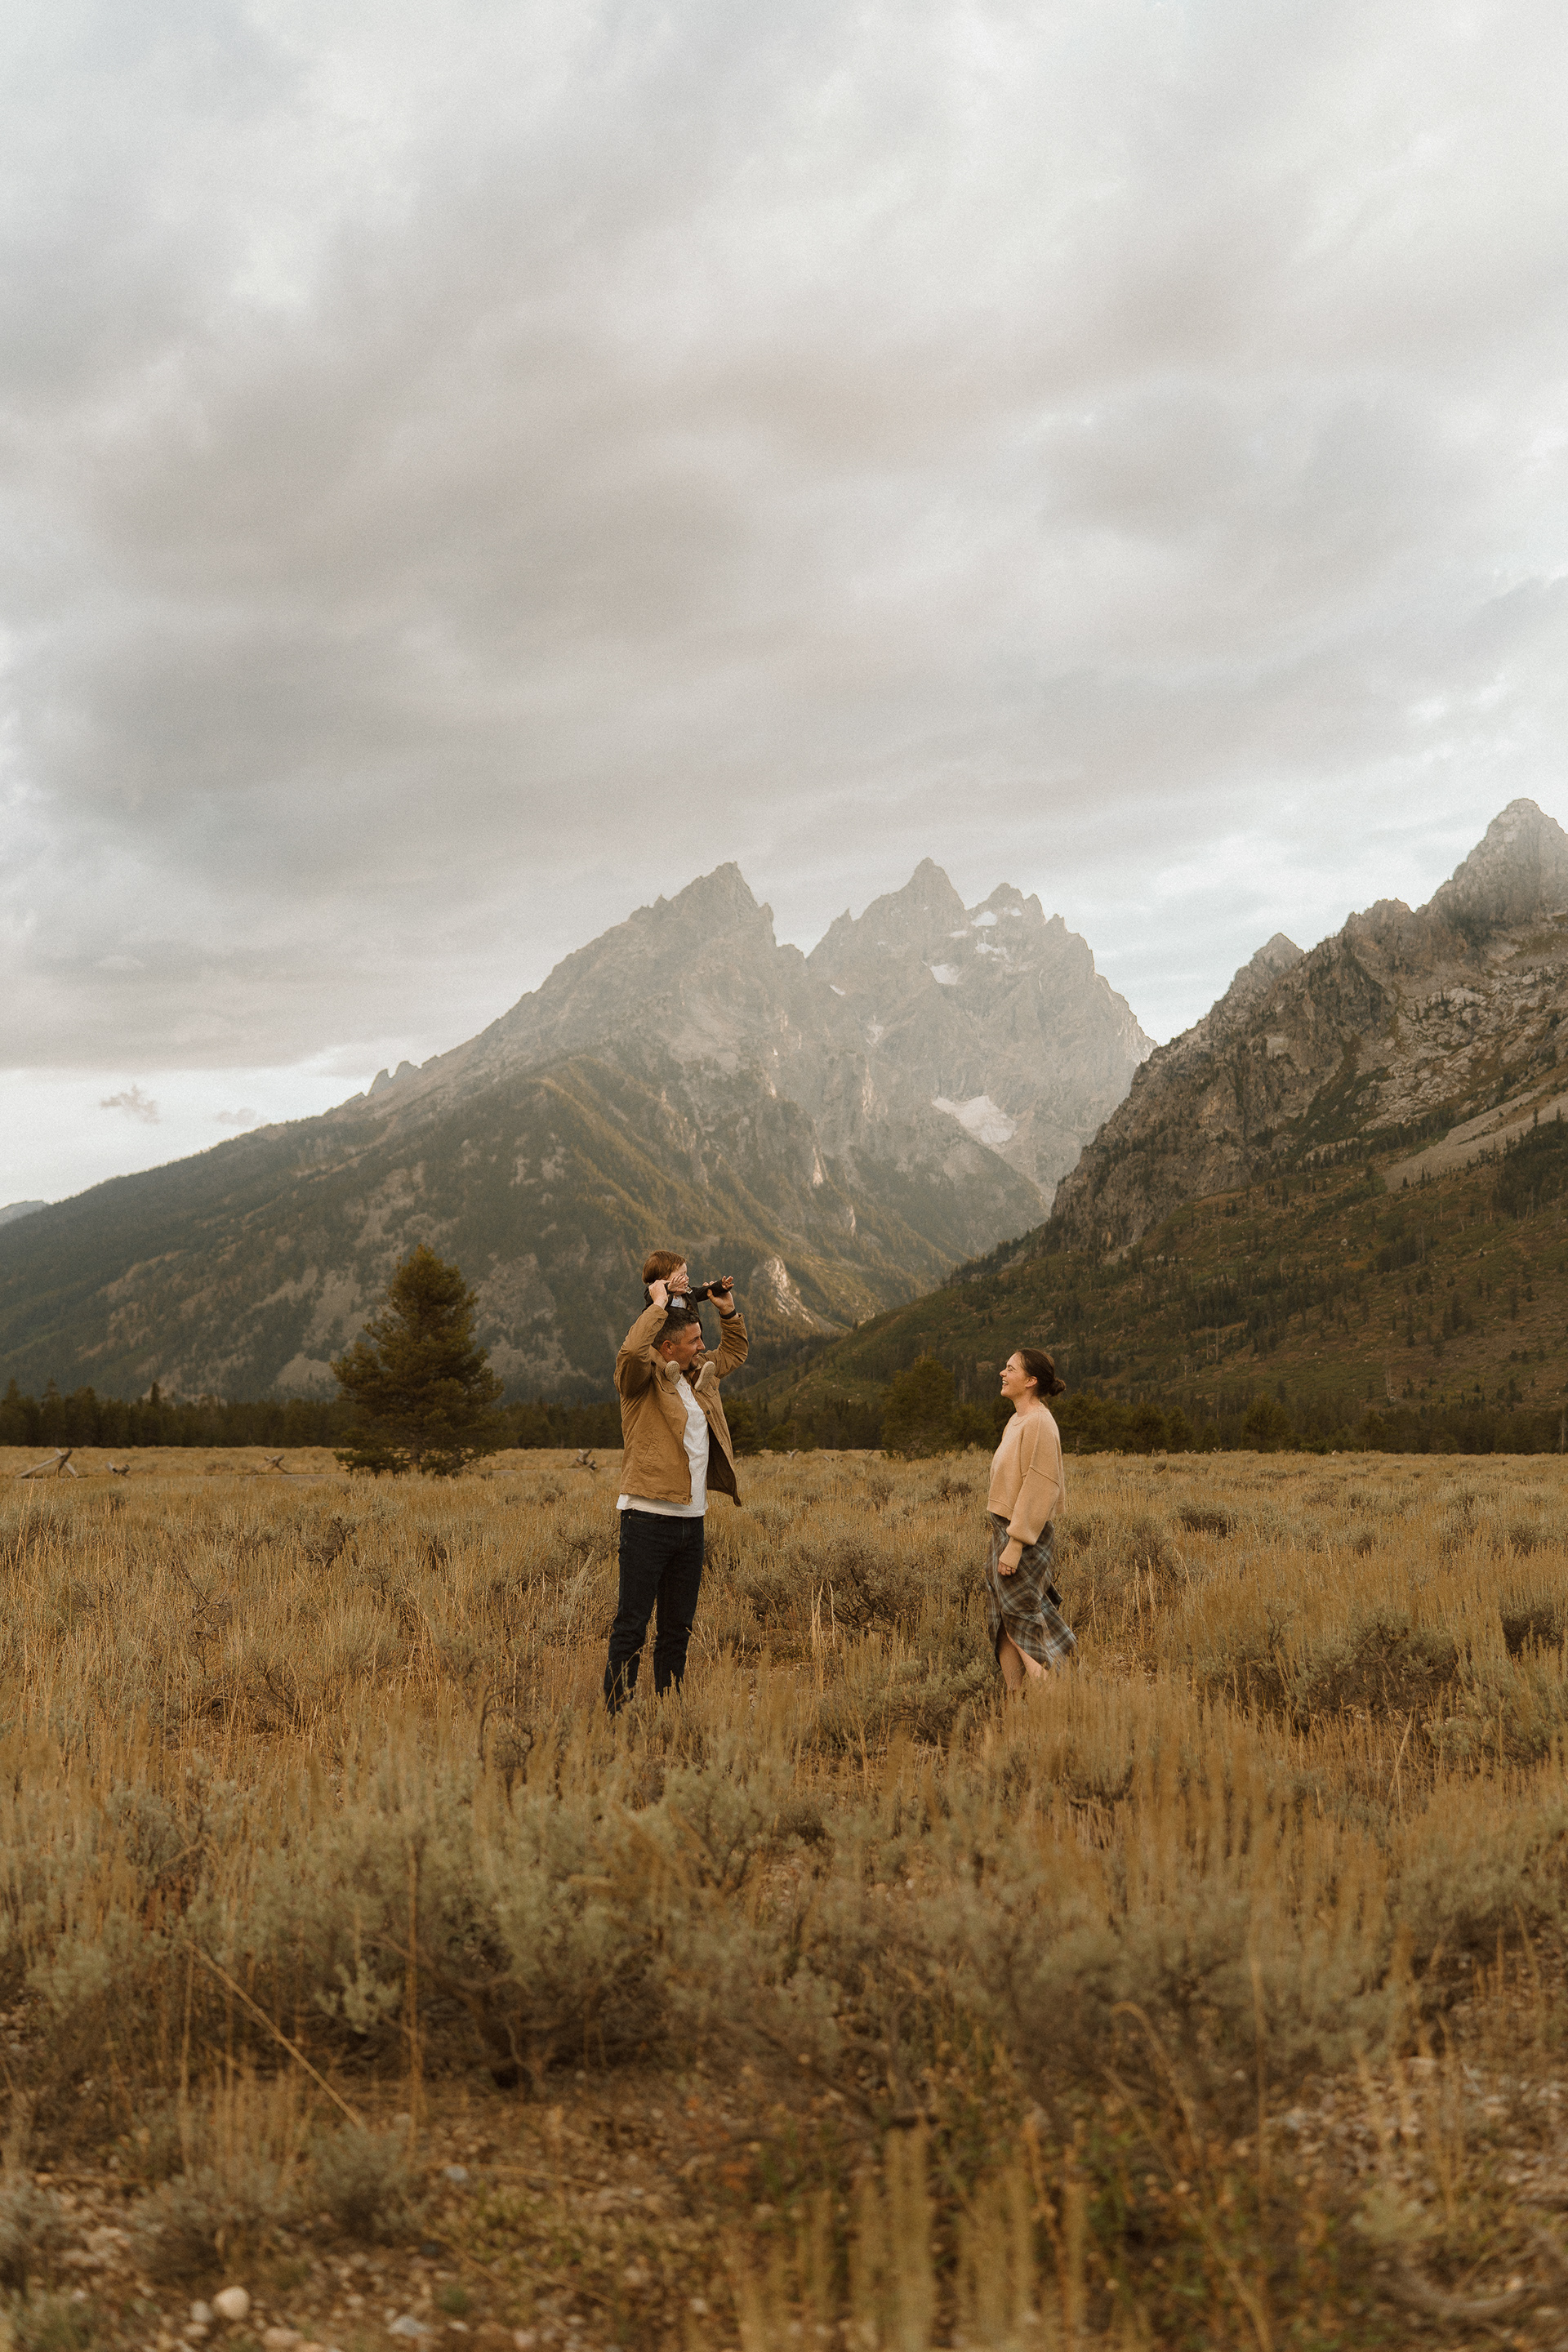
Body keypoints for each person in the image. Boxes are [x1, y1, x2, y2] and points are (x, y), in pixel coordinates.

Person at [604, 1251, 747, 1712]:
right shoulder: (639, 1382)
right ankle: (618, 1712)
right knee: (633, 1623)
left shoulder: (698, 1376)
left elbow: (734, 1353)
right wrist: (658, 1306)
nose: (701, 1346)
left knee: (677, 1627)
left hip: (692, 1522)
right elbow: (630, 1353)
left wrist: (727, 1311)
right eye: (693, 1339)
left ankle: (668, 1708)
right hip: (647, 1518)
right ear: (667, 1347)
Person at [985, 1347, 1076, 1689]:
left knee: (1021, 1619)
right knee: (1006, 1620)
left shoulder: (1039, 1422)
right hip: (1005, 1532)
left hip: (1021, 1538)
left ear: (1031, 1381)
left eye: (1010, 1369)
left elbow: (1041, 1487)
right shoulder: (1019, 1419)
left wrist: (1016, 1543)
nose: (1002, 1373)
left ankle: (1049, 1699)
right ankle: (1016, 1699)